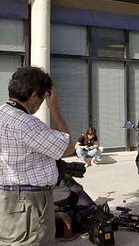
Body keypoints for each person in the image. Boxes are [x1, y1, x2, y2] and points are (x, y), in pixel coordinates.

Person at [0, 66, 75, 245]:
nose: (41, 104)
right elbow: (68, 147)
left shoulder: (2, 113)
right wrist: (54, 108)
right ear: (35, 95)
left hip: (7, 198)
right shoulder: (26, 123)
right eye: (42, 99)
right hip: (28, 202)